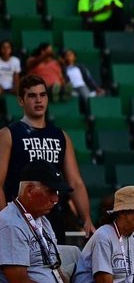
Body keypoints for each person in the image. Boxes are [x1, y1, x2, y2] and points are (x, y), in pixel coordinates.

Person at [0, 75, 95, 240]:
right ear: (21, 101)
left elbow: (75, 182)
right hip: (19, 217)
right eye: (32, 95)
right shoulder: (8, 134)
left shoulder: (61, 136)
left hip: (52, 217)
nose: (38, 100)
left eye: (42, 95)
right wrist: (4, 220)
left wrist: (86, 218)